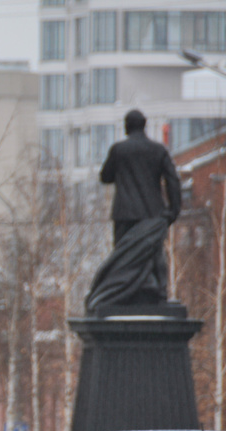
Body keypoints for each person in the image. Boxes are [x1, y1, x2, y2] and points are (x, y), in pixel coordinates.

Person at [90, 109, 182, 308]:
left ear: (126, 127)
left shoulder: (119, 150)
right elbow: (173, 180)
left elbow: (105, 176)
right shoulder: (158, 150)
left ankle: (122, 295)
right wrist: (174, 209)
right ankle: (159, 295)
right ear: (144, 125)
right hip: (153, 214)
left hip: (125, 214)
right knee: (154, 254)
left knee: (124, 257)